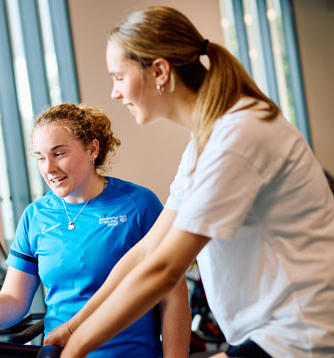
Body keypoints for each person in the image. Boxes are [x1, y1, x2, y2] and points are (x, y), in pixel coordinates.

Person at [44, 6, 334, 358]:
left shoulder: (238, 135)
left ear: (160, 72)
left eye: (119, 77)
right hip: (273, 334)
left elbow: (165, 269)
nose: (115, 93)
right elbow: (146, 252)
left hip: (303, 336)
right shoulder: (205, 143)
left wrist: (77, 348)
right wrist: (72, 329)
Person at [0, 103, 191, 357]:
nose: (48, 168)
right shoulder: (35, 217)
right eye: (40, 157)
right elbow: (14, 302)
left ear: (92, 149)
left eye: (59, 154)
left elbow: (173, 298)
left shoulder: (138, 204)